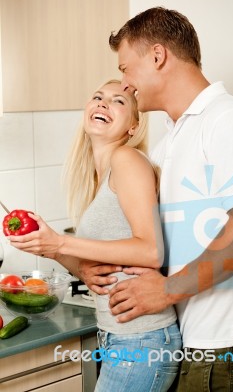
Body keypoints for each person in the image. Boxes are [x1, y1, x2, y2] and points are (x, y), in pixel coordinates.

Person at [77, 7, 233, 391]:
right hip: (183, 341)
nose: (126, 85)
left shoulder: (229, 118)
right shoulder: (170, 141)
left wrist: (165, 290)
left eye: (127, 69)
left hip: (224, 352)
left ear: (158, 56)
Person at [9, 79, 181, 392]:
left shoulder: (126, 160)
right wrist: (51, 249)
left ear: (133, 126)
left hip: (141, 340)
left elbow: (151, 251)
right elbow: (101, 267)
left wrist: (61, 242)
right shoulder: (100, 177)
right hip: (122, 337)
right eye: (98, 97)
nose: (102, 103)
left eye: (119, 101)